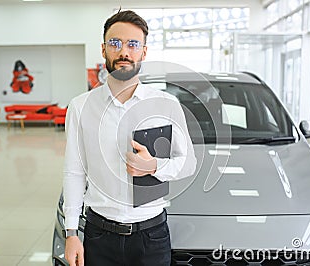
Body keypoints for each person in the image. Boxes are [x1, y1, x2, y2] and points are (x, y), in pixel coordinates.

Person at [63, 10, 196, 266]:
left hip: (152, 235)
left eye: (133, 44)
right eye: (115, 43)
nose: (124, 51)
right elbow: (74, 172)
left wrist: (154, 166)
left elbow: (188, 162)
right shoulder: (81, 106)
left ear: (143, 52)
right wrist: (71, 233)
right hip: (99, 235)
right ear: (104, 50)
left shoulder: (165, 104)